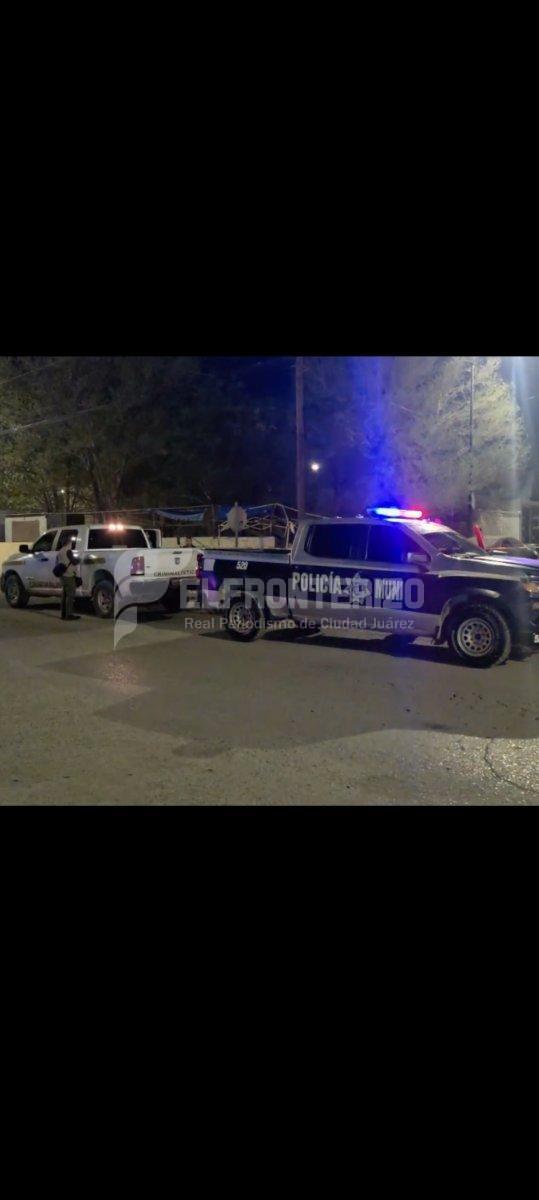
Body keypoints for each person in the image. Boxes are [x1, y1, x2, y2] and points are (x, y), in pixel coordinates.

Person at [56, 536, 81, 621]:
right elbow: (74, 561)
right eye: (70, 542)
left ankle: (63, 614)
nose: (71, 544)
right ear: (68, 543)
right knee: (70, 596)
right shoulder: (68, 551)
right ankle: (69, 614)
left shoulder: (60, 551)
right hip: (69, 575)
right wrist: (79, 559)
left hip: (62, 575)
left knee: (64, 595)